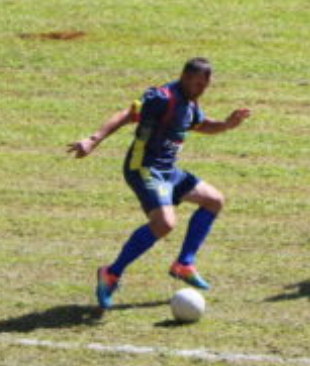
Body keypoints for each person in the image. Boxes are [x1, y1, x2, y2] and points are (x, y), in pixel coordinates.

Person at [67, 58, 251, 309]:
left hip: (167, 171)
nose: (201, 89)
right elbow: (127, 114)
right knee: (164, 223)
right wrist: (93, 139)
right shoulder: (163, 97)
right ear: (185, 77)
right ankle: (111, 273)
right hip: (144, 167)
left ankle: (184, 264)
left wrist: (227, 124)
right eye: (198, 84)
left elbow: (202, 125)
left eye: (205, 85)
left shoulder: (189, 102)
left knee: (214, 200)